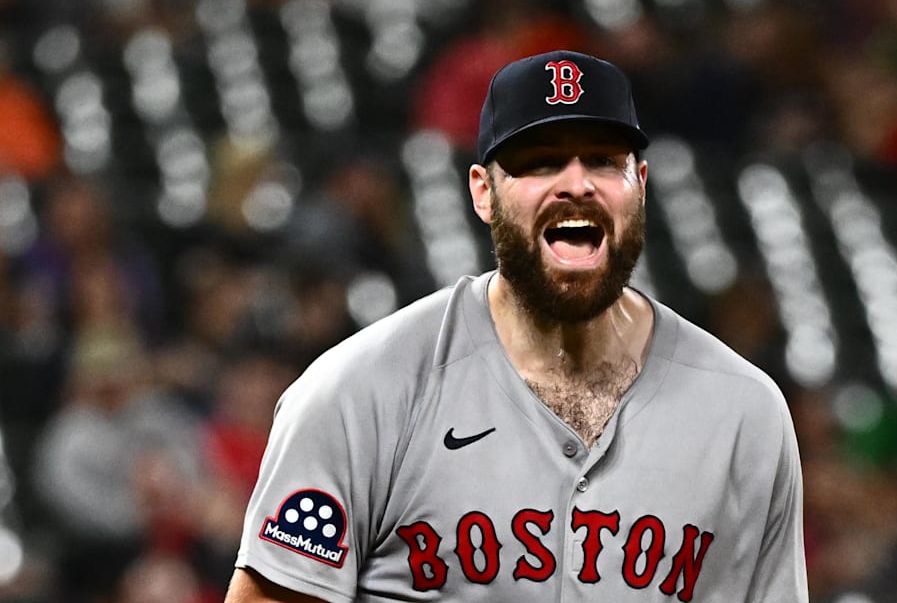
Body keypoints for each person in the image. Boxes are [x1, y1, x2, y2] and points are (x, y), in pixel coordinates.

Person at [223, 50, 807, 602]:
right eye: (541, 161)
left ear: (642, 186)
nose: (577, 183)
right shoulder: (361, 392)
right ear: (483, 192)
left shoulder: (744, 414)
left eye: (604, 160)